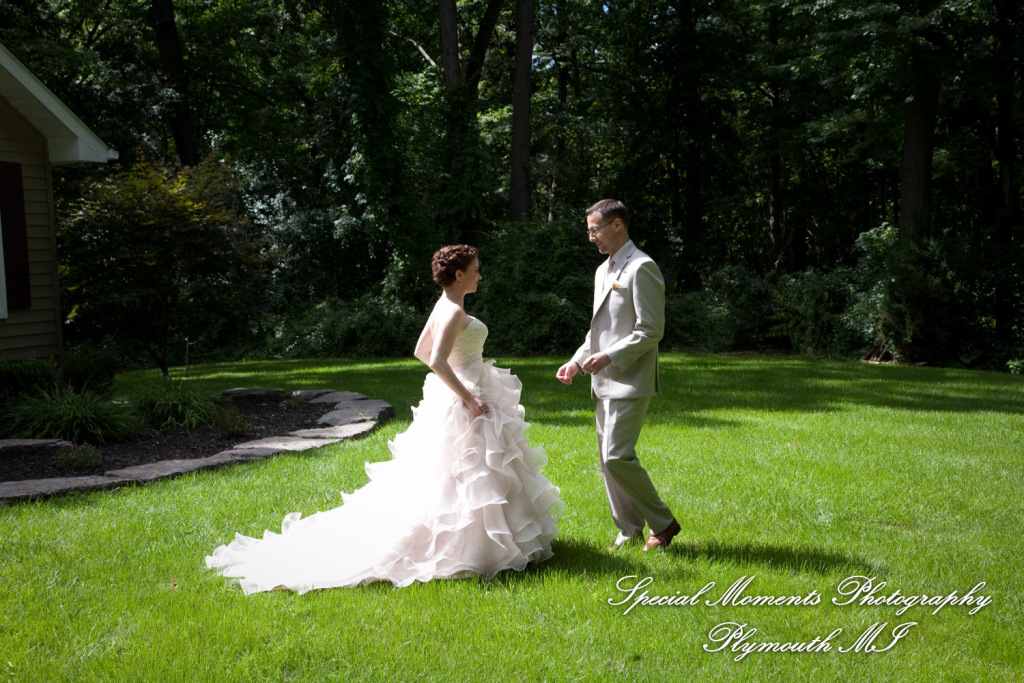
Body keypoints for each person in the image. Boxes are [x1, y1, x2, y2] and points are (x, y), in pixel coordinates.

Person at [206, 245, 563, 593]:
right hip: (464, 398)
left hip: (456, 392)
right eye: (475, 271)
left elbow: (420, 351)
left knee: (457, 473)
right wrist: (467, 395)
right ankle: (474, 547)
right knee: (469, 471)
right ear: (459, 275)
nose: (479, 276)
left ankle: (484, 542)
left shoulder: (443, 306)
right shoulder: (453, 312)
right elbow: (435, 359)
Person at [556, 199, 680, 552]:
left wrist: (610, 356)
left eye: (594, 230)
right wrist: (578, 362)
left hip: (631, 377)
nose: (591, 237)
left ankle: (664, 523)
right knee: (607, 462)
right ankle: (628, 531)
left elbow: (651, 330)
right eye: (589, 231)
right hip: (601, 381)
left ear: (617, 225)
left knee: (616, 456)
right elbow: (598, 331)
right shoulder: (602, 271)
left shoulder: (642, 267)